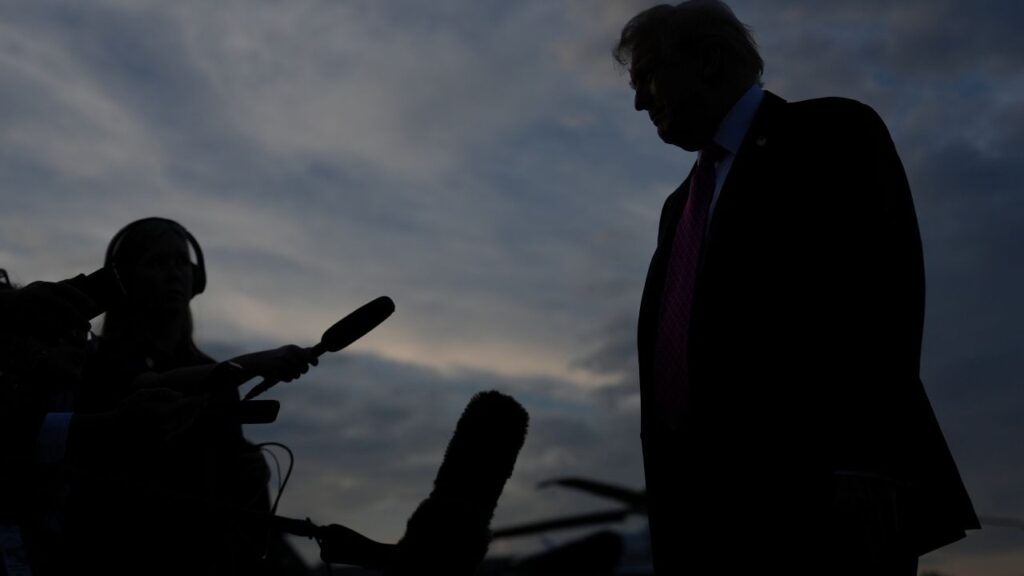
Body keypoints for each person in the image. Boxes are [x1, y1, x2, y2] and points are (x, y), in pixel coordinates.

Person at [613, 2, 979, 573]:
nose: (639, 101)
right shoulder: (678, 206)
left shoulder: (829, 132)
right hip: (703, 519)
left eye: (647, 76)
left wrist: (864, 462)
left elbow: (884, 296)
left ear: (708, 60)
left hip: (823, 506)